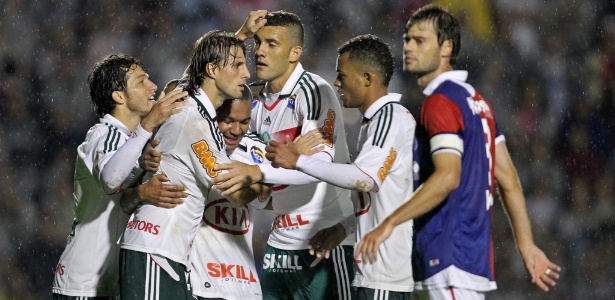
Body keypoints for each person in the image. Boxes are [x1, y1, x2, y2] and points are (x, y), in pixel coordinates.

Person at [355, 5, 561, 300]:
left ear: (446, 47)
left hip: (447, 256)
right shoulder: (479, 104)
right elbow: (509, 180)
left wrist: (389, 223)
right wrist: (526, 245)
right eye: (408, 39)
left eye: (420, 40)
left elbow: (448, 176)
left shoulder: (440, 102)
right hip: (467, 260)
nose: (409, 47)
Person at [213, 10, 356, 300]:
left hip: (322, 241)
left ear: (295, 53)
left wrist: (260, 172)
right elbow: (192, 94)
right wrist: (237, 38)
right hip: (278, 245)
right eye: (257, 43)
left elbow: (319, 167)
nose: (260, 52)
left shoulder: (314, 91)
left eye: (271, 44)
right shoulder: (250, 100)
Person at [118, 30, 270, 300]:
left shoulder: (197, 113)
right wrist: (266, 174)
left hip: (169, 255)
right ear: (212, 69)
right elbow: (235, 194)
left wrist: (242, 33)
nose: (247, 73)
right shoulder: (193, 121)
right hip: (156, 251)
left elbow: (190, 80)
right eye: (237, 64)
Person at [266, 34, 417, 300]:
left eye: (342, 75)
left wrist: (298, 161)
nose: (337, 83)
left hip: (382, 277)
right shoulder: (376, 122)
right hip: (376, 275)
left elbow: (365, 179)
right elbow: (381, 197)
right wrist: (345, 228)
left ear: (367, 79)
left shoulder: (388, 118)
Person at [52, 54, 188, 299]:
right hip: (83, 285)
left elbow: (122, 199)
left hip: (114, 285)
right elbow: (111, 179)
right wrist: (148, 125)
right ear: (118, 96)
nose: (153, 86)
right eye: (140, 81)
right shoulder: (104, 134)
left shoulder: (136, 142)